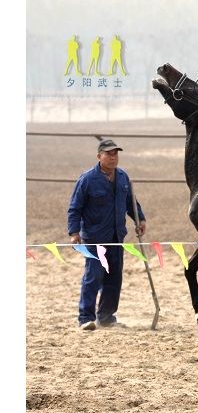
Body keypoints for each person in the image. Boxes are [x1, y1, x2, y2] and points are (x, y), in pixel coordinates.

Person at [67, 139, 146, 331]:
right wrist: (74, 232)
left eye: (115, 154)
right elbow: (75, 208)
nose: (113, 157)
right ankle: (85, 318)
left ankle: (106, 317)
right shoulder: (87, 179)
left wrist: (140, 220)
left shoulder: (123, 177)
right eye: (109, 154)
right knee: (93, 276)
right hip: (95, 238)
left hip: (117, 237)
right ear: (99, 156)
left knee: (114, 278)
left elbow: (131, 203)